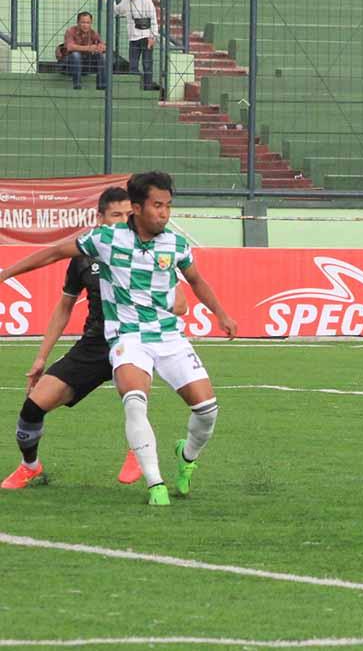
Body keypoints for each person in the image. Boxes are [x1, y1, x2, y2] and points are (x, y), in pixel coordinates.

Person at [0, 172, 237, 506]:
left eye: (168, 206)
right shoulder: (101, 243)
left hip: (158, 337)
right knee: (46, 405)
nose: (164, 213)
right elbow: (57, 272)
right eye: (157, 206)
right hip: (110, 340)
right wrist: (6, 274)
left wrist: (221, 314)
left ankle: (167, 456)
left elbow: (189, 289)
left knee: (200, 408)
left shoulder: (173, 245)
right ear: (126, 212)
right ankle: (37, 467)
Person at [102, 0, 158, 91]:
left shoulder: (146, 0)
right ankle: (134, 88)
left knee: (147, 64)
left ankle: (147, 88)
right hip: (133, 37)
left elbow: (153, 19)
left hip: (146, 37)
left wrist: (153, 36)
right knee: (133, 65)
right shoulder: (126, 1)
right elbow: (116, 10)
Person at [56, 11, 108, 90]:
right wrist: (90, 48)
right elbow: (70, 47)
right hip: (67, 65)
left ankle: (102, 86)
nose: (85, 25)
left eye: (88, 23)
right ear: (78, 22)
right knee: (76, 55)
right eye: (83, 22)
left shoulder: (93, 33)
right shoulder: (70, 31)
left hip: (85, 65)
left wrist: (101, 47)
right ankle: (77, 86)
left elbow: (103, 46)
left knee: (102, 56)